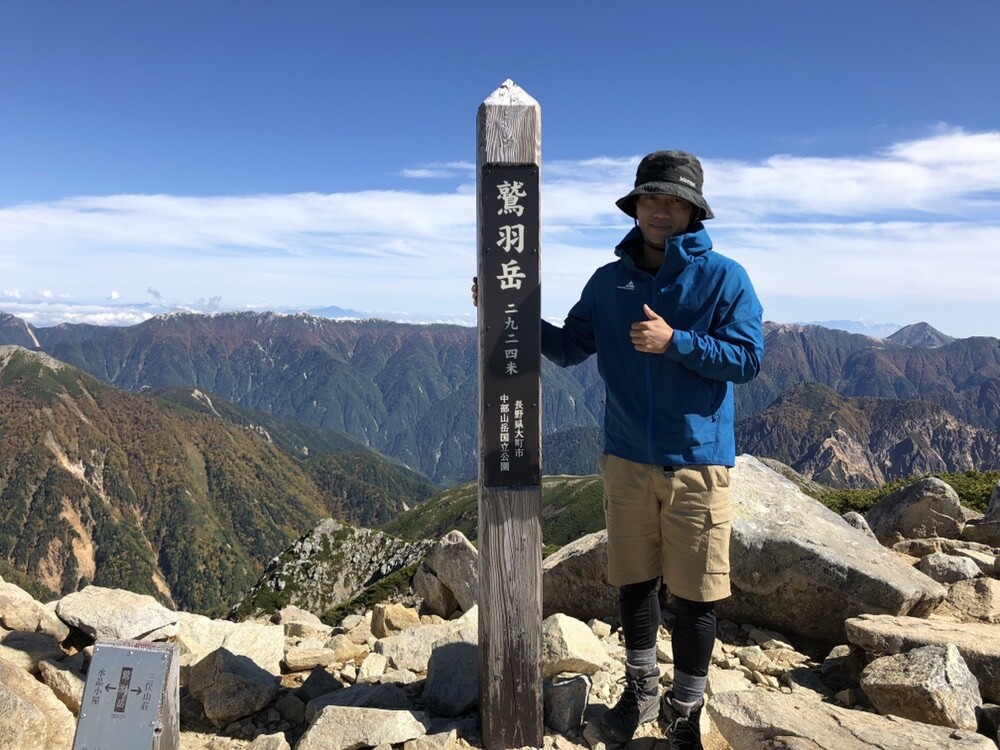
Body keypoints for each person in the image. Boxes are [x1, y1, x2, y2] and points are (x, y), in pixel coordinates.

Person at [473, 150, 763, 748]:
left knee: (695, 594)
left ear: (693, 211)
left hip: (697, 461)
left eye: (674, 200)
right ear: (635, 207)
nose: (661, 210)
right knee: (633, 583)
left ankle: (685, 708)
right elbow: (569, 347)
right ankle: (641, 688)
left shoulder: (724, 278)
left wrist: (676, 341)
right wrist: (504, 313)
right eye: (651, 198)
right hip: (626, 457)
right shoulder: (610, 283)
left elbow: (748, 359)